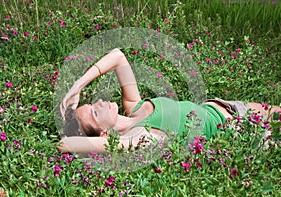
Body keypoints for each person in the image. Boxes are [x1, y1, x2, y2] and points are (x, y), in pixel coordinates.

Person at [57, 48, 281, 153]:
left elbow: (118, 56)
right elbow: (66, 144)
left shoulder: (133, 106)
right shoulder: (138, 137)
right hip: (242, 133)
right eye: (95, 113)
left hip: (228, 106)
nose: (99, 103)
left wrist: (78, 86)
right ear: (104, 134)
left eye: (93, 103)